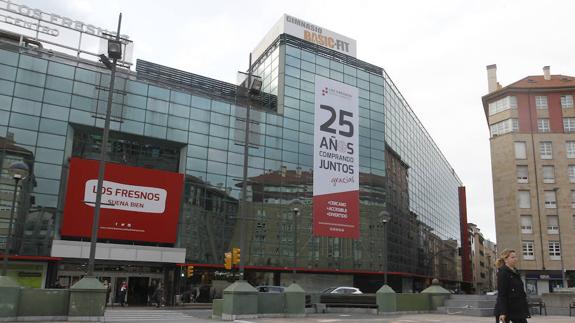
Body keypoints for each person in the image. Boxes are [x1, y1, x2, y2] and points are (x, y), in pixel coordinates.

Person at [494, 249, 530, 323]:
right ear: (506, 259)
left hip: (517, 309)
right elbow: (502, 294)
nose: (515, 259)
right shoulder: (503, 273)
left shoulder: (515, 272)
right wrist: (502, 312)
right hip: (506, 310)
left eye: (515, 257)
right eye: (512, 257)